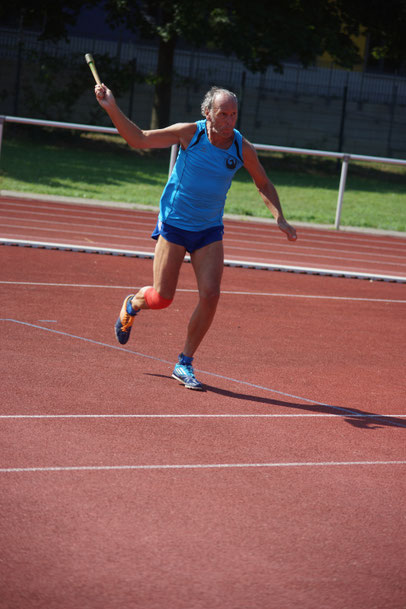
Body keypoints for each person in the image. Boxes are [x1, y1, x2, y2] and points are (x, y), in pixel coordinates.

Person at [95, 83, 297, 391]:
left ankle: (184, 362)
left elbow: (263, 183)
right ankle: (134, 303)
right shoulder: (190, 133)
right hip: (175, 224)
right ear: (207, 113)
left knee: (211, 294)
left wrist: (279, 217)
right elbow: (138, 140)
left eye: (234, 114)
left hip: (209, 230)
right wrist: (111, 106)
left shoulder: (241, 147)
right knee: (162, 298)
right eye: (223, 114)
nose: (230, 120)